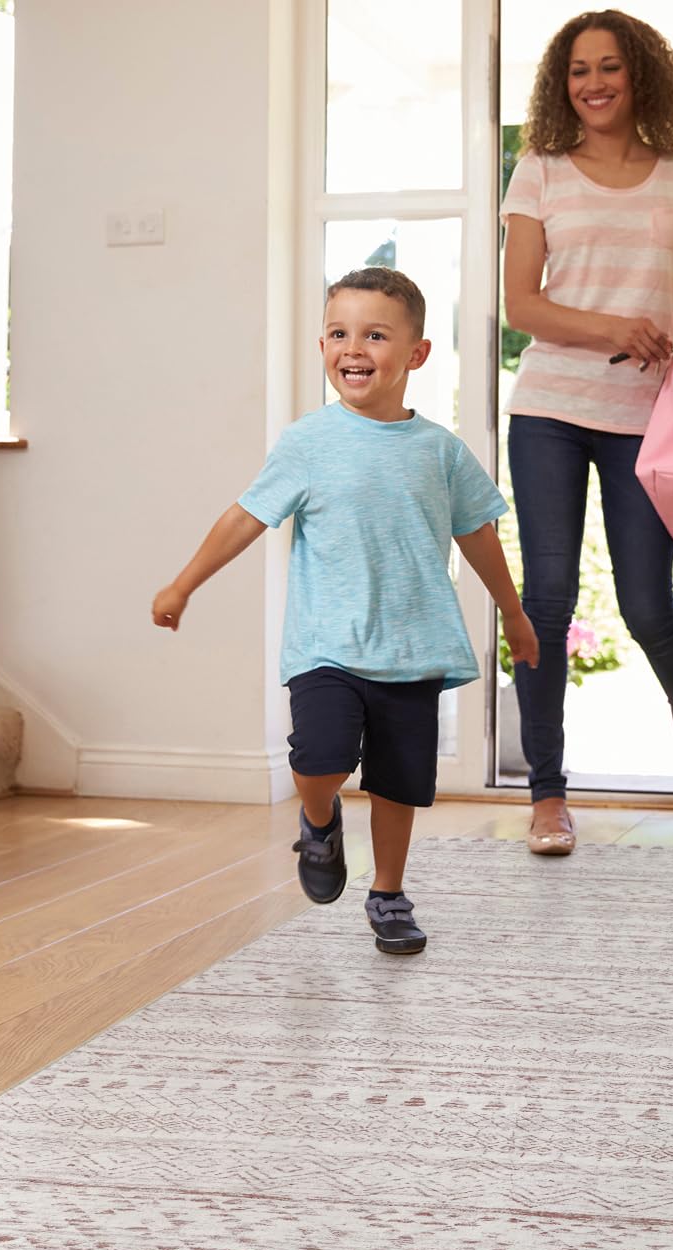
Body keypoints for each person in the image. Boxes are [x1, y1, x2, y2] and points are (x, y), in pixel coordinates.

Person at [152, 267, 538, 956]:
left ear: (416, 353)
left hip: (412, 647)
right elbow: (246, 517)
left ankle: (388, 891)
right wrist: (184, 584)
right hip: (327, 645)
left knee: (398, 783)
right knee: (321, 757)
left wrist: (513, 613)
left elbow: (478, 532)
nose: (352, 349)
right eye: (338, 333)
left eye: (375, 335)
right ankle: (319, 818)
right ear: (322, 345)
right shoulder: (310, 441)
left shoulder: (440, 450)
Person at [501, 8, 673, 853]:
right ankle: (548, 797)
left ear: (641, 75)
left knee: (647, 604)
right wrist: (614, 328)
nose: (592, 84)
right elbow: (522, 305)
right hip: (551, 411)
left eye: (609, 68)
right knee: (547, 601)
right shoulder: (540, 171)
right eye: (577, 71)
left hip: (646, 419)